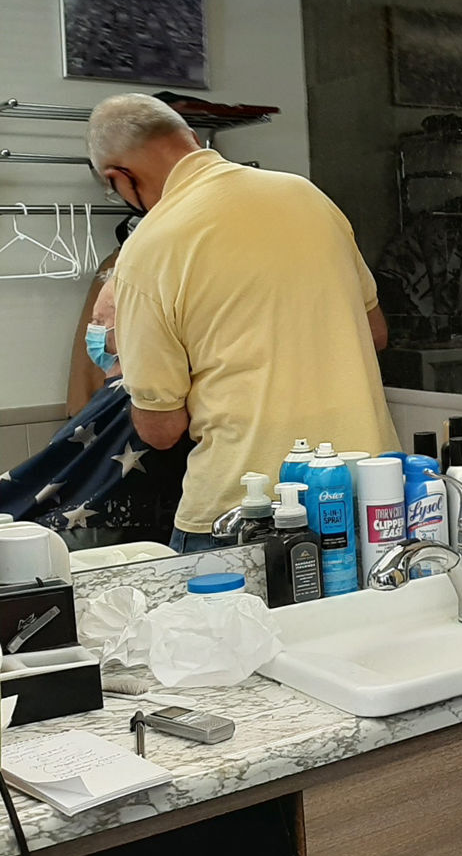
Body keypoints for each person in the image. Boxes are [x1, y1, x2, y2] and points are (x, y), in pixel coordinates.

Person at [87, 93, 399, 552]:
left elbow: (160, 429)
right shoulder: (306, 196)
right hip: (368, 493)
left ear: (120, 177)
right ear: (191, 140)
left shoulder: (148, 249)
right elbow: (375, 333)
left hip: (245, 510)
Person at [0, 266, 191, 546]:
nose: (93, 331)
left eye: (100, 321)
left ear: (132, 328)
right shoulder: (117, 394)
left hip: (101, 536)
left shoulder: (135, 397)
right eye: (94, 320)